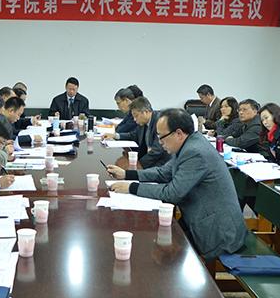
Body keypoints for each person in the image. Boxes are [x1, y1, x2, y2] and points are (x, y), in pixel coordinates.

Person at [106, 109, 249, 262]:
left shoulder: (194, 152)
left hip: (218, 232)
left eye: (162, 137)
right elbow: (163, 172)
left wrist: (131, 188)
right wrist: (127, 174)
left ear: (179, 133)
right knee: (156, 239)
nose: (160, 142)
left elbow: (172, 193)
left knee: (160, 252)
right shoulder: (188, 143)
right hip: (198, 219)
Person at [102, 96, 170, 169]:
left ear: (146, 112)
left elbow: (156, 151)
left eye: (136, 116)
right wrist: (115, 135)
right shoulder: (143, 122)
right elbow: (133, 135)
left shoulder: (159, 123)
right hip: (149, 161)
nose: (134, 119)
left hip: (160, 165)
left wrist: (139, 166)